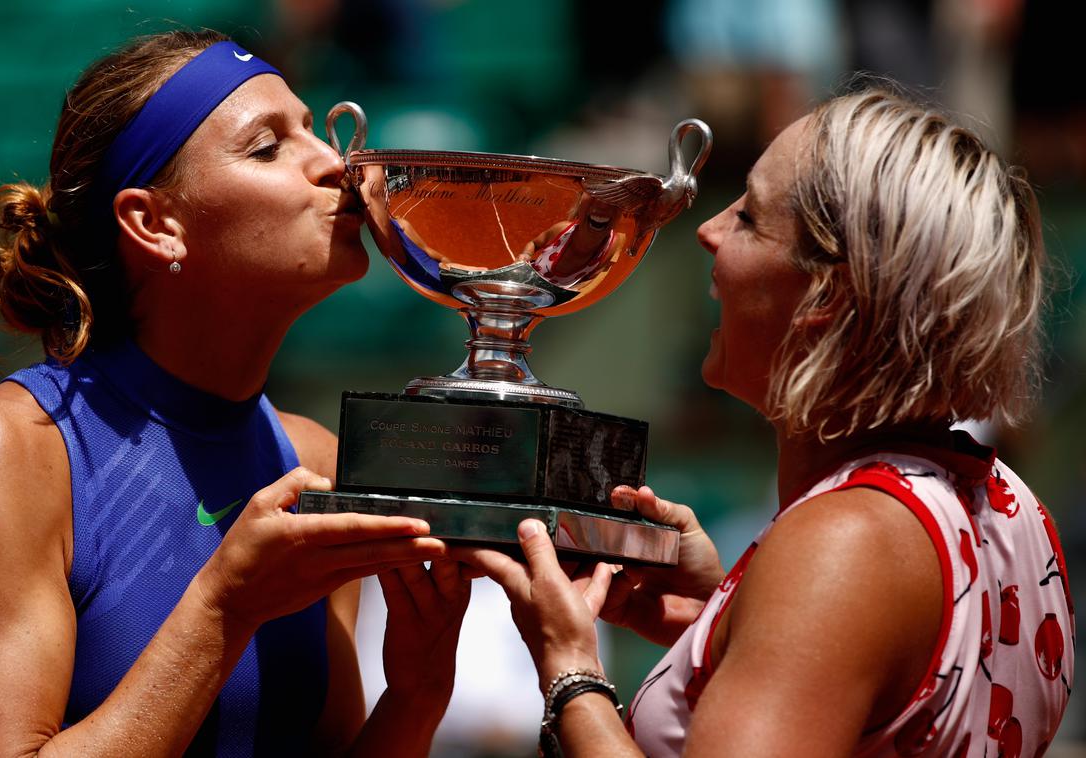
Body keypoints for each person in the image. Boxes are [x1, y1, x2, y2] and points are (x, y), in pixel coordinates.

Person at [460, 87, 1074, 756]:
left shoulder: (845, 546)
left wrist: (569, 669)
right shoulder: (1013, 506)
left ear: (829, 295)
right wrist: (725, 614)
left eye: (749, 217)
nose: (708, 231)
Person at [0, 30, 470, 757]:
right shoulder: (3, 452)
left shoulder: (312, 456)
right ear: (153, 223)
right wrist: (225, 608)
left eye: (315, 130)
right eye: (267, 147)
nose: (336, 163)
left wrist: (419, 694)